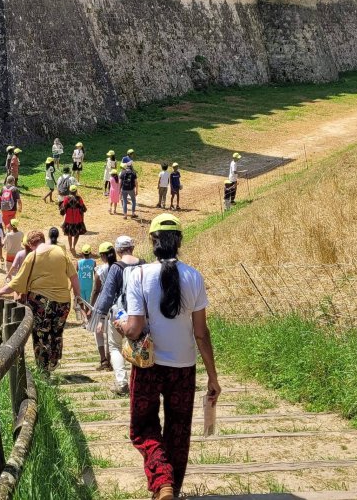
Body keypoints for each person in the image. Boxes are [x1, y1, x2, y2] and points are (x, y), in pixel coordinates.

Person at [117, 214, 220, 500]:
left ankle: (161, 481)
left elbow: (135, 328)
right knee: (178, 429)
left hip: (148, 366)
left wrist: (121, 324)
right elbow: (201, 333)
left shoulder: (137, 274)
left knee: (142, 427)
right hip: (184, 368)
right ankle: (171, 488)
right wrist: (213, 376)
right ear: (179, 241)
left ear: (152, 241)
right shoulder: (195, 277)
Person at [0, 229, 82, 371]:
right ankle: (54, 360)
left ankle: (43, 367)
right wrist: (77, 296)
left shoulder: (32, 257)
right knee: (57, 332)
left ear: (31, 244)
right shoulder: (60, 251)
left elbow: (16, 283)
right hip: (63, 301)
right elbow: (74, 277)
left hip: (41, 302)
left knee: (41, 334)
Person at [89, 234, 143, 395]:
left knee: (114, 347)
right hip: (140, 313)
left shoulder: (116, 267)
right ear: (132, 248)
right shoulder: (143, 264)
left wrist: (99, 317)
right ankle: (140, 381)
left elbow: (107, 294)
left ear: (118, 251)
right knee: (140, 345)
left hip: (119, 313)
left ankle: (122, 383)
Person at [90, 241, 116, 371]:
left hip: (101, 302)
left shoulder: (100, 270)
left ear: (102, 255)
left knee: (98, 332)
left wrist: (91, 306)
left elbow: (96, 290)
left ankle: (103, 360)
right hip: (115, 303)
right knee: (111, 333)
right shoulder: (118, 267)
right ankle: (110, 360)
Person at [60, 185, 87, 252]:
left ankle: (70, 247)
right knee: (77, 234)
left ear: (70, 191)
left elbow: (63, 210)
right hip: (78, 220)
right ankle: (74, 246)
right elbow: (83, 209)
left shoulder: (66, 198)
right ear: (76, 191)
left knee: (69, 234)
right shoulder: (79, 198)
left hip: (69, 220)